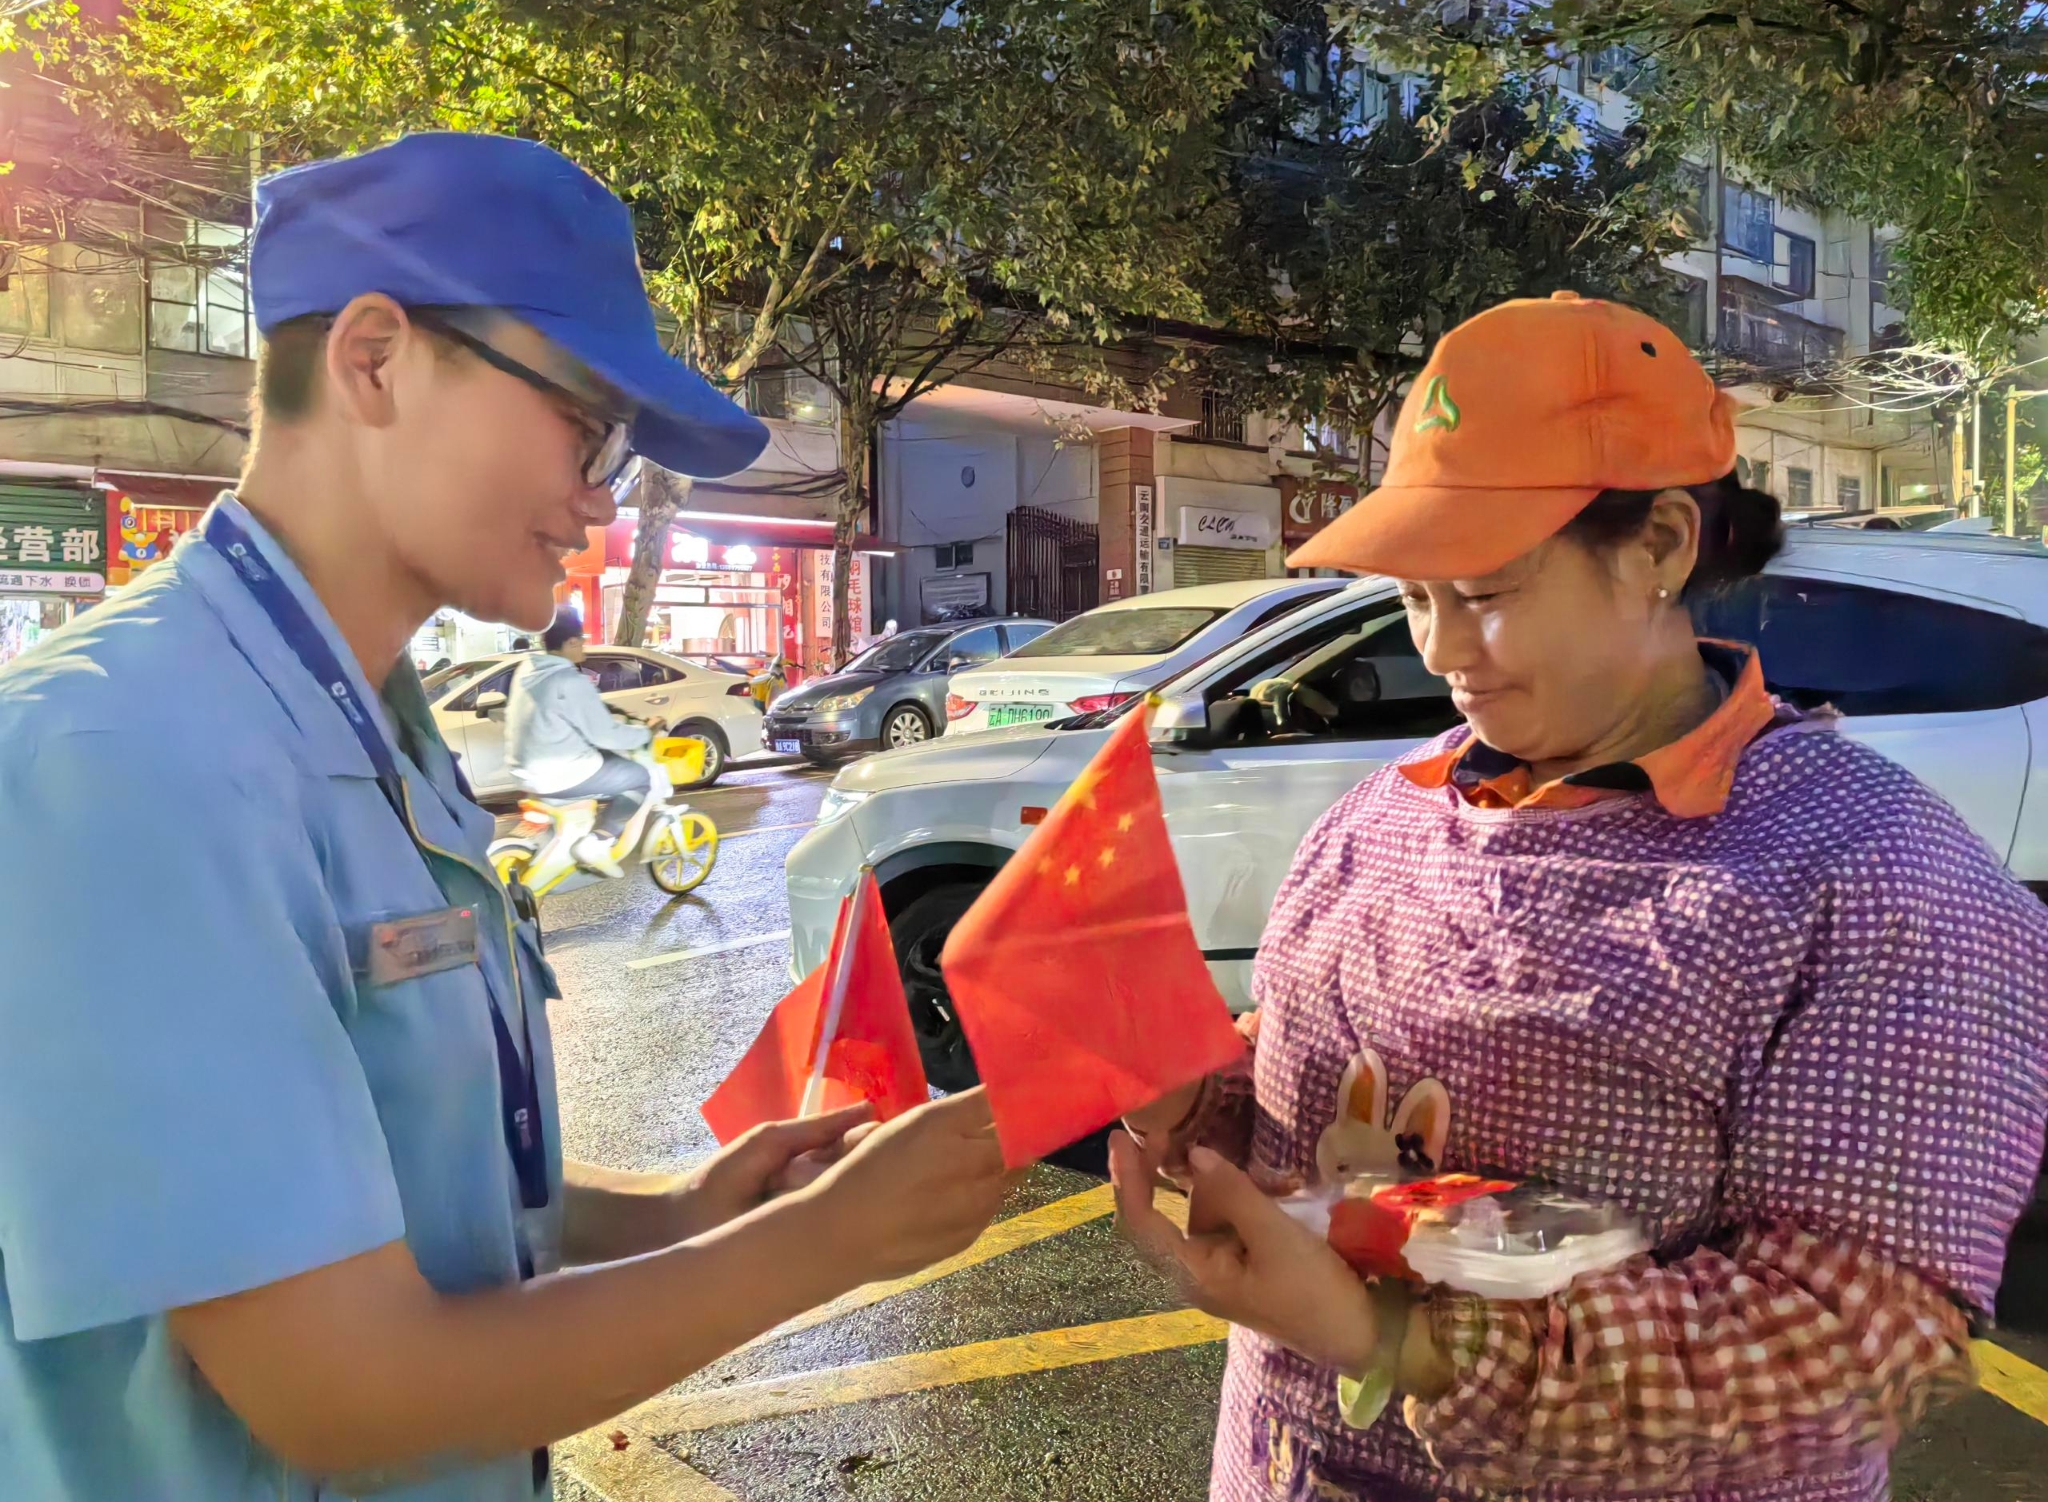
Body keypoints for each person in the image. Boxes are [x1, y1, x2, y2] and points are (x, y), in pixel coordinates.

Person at [0, 132, 1010, 1502]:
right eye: (586, 429)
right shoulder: (121, 761)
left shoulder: (382, 729)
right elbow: (347, 1391)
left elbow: (404, 1168)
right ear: (374, 361)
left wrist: (677, 1215)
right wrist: (821, 1245)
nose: (601, 498)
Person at [1110, 292, 2048, 1502]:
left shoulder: (1872, 875)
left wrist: (1395, 1341)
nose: (1440, 653)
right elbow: (1302, 1126)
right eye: (1413, 599)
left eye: (1486, 593)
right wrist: (1184, 1097)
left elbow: (1855, 1341)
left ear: (1658, 544)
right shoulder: (1376, 819)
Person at [506, 607, 658, 878]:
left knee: (606, 762)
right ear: (572, 641)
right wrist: (645, 733)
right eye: (582, 640)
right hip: (558, 775)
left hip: (522, 771)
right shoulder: (570, 681)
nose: (584, 646)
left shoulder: (526, 669)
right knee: (638, 777)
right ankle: (598, 841)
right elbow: (605, 735)